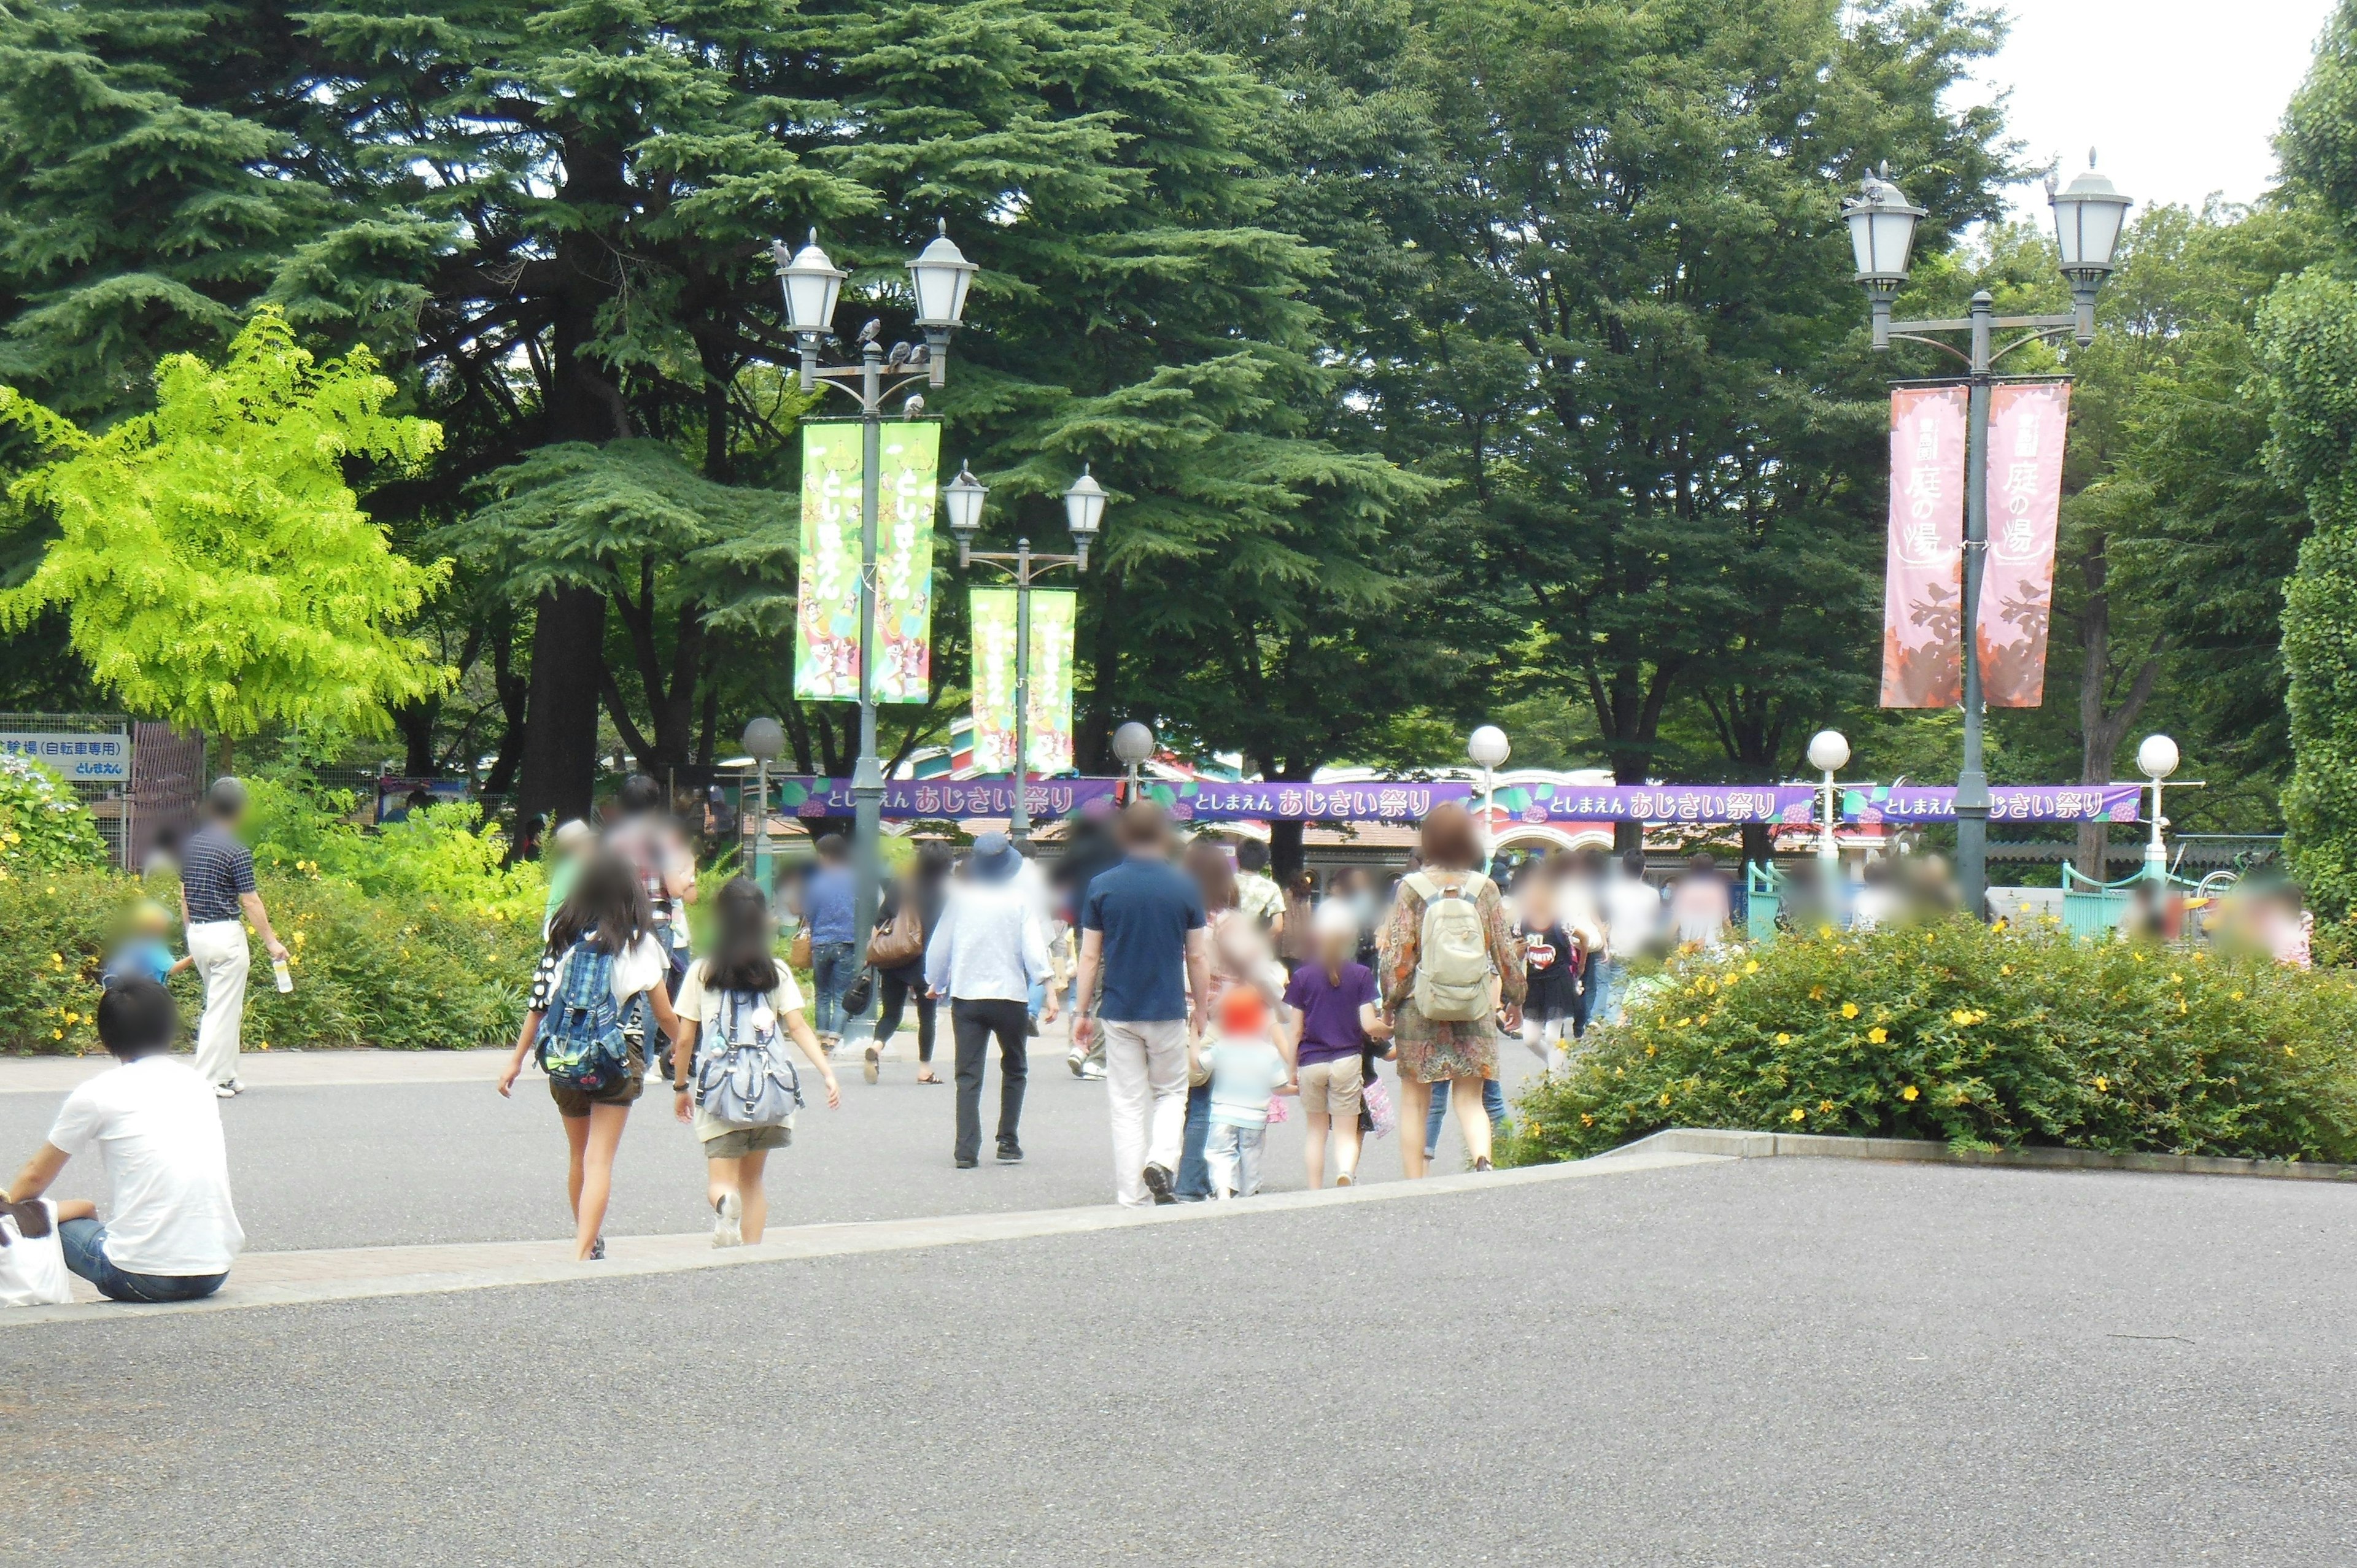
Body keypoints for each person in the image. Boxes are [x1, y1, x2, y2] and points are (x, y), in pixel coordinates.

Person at [1, 979, 241, 1303]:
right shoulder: (197, 1083)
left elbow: (33, 1178)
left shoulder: (97, 1094)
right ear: (169, 1028)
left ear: (106, 1037)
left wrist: (7, 1211)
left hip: (141, 1279)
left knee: (40, 1218)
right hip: (214, 1271)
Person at [497, 851, 686, 1261]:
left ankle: (587, 1239)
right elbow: (665, 1014)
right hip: (617, 1058)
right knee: (600, 1158)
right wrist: (685, 1043)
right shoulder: (641, 945)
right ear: (630, 894)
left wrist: (515, 1060)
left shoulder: (562, 936)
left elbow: (540, 1002)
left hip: (565, 1057)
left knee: (578, 1155)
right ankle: (584, 1247)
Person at [670, 877, 840, 1246]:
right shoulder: (775, 972)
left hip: (720, 1094)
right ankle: (752, 1253)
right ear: (762, 918)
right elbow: (798, 1028)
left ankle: (724, 1205)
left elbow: (685, 1039)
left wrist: (681, 1086)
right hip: (768, 1095)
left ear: (720, 919)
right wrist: (827, 1073)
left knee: (722, 1183)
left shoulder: (703, 972)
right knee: (754, 1182)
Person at [1072, 801, 1211, 1207]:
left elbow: (1089, 957)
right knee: (1171, 1092)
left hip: (1118, 1009)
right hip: (1167, 1006)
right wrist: (1201, 1007)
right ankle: (1161, 1159)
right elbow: (1198, 956)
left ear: (1125, 835)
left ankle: (1131, 1195)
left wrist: (1081, 1013)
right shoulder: (1185, 886)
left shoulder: (1102, 886)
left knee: (1127, 1104)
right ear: (1164, 835)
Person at [1378, 802, 1523, 1177]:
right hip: (1473, 1004)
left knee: (1415, 1100)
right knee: (1470, 1096)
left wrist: (1390, 1004)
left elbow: (1399, 955)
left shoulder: (1411, 889)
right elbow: (1504, 952)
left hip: (1419, 1007)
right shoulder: (1485, 888)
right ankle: (1482, 1159)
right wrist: (1515, 999)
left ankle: (1415, 1180)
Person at [926, 833, 1057, 1168]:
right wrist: (1049, 988)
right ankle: (1008, 1141)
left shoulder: (961, 898)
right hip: (1010, 995)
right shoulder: (1020, 901)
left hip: (967, 997)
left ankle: (965, 1149)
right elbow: (1033, 949)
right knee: (1014, 1067)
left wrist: (935, 982)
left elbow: (941, 946)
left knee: (968, 1074)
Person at [177, 777, 288, 1099]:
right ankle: (208, 1079)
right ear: (240, 811)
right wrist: (272, 942)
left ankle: (226, 1075)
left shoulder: (190, 846)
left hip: (197, 933)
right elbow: (251, 901)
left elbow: (184, 895)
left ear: (211, 807)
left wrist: (191, 933)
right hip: (225, 935)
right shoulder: (237, 850)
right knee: (221, 1009)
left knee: (226, 1007)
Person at [1284, 899, 1385, 1188]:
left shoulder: (1302, 977)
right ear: (1349, 937)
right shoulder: (1362, 975)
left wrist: (1291, 1070)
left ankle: (1315, 1190)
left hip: (1311, 1062)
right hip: (1347, 1061)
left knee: (1316, 1132)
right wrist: (1389, 1029)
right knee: (1345, 1130)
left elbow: (1295, 1031)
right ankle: (1344, 1172)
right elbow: (1369, 1025)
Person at [604, 774, 699, 1003]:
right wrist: (689, 870)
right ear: (655, 804)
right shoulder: (660, 839)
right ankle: (650, 1039)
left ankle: (625, 1033)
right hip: (656, 922)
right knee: (655, 994)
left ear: (623, 804)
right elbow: (676, 890)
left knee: (621, 983)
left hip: (620, 920)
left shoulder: (613, 841)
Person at [1193, 987, 1291, 1199]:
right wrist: (1300, 1089)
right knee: (1251, 1155)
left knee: (1220, 1153)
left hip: (1223, 1114)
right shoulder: (1268, 1052)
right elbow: (1279, 1087)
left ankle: (1223, 1191)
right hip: (1254, 1118)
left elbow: (1199, 1065)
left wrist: (1193, 1036)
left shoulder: (1223, 1046)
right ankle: (1249, 1193)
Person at [869, 841, 953, 1084]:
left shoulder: (902, 885)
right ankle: (925, 1069)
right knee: (927, 1017)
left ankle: (876, 1047)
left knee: (891, 1014)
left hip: (896, 958)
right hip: (927, 964)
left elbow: (881, 919)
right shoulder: (946, 894)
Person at [1510, 863, 1581, 1063]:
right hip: (1534, 984)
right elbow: (1515, 953)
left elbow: (1583, 938)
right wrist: (1517, 954)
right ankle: (1555, 1066)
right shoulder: (1522, 922)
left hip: (1558, 982)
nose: (1532, 896)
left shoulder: (1560, 920)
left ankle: (1557, 1087)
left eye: (1537, 891)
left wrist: (1580, 967)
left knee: (1552, 1036)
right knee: (1530, 1039)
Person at [801, 833, 858, 1050]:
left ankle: (821, 1036)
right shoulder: (855, 880)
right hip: (847, 941)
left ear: (825, 856)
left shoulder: (816, 882)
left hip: (820, 942)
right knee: (842, 993)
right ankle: (833, 1038)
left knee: (822, 993)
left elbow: (809, 912)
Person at [1595, 849, 1662, 1027]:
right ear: (1644, 869)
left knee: (1616, 992)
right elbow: (1654, 918)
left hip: (1619, 947)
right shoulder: (1652, 894)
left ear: (1622, 867)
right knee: (1642, 992)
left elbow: (1604, 917)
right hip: (1644, 949)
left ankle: (1612, 1033)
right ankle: (1638, 1029)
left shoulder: (1611, 892)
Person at [103, 900, 192, 991]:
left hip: (127, 994)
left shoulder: (130, 943)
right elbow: (173, 969)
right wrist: (194, 956)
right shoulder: (155, 948)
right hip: (151, 994)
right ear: (159, 926)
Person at [540, 817, 597, 937]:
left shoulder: (579, 865)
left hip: (567, 924)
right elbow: (574, 908)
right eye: (587, 842)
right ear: (574, 847)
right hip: (562, 926)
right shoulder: (572, 870)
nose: (592, 845)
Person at [1668, 853, 1733, 948]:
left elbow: (1676, 920)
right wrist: (1734, 940)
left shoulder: (1685, 890)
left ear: (1692, 869)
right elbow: (1725, 920)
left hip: (1689, 947)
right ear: (1712, 869)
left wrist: (1665, 943)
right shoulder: (1718, 890)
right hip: (1713, 947)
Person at [1234, 838, 1285, 936]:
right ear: (1265, 862)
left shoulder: (1227, 883)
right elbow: (1278, 927)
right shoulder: (1272, 888)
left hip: (1226, 942)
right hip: (1255, 945)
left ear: (1238, 859)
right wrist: (1259, 938)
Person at [1277, 867, 1320, 976]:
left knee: (1287, 968)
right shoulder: (1306, 896)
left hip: (1288, 933)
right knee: (1301, 968)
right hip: (1304, 933)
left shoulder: (1284, 894)